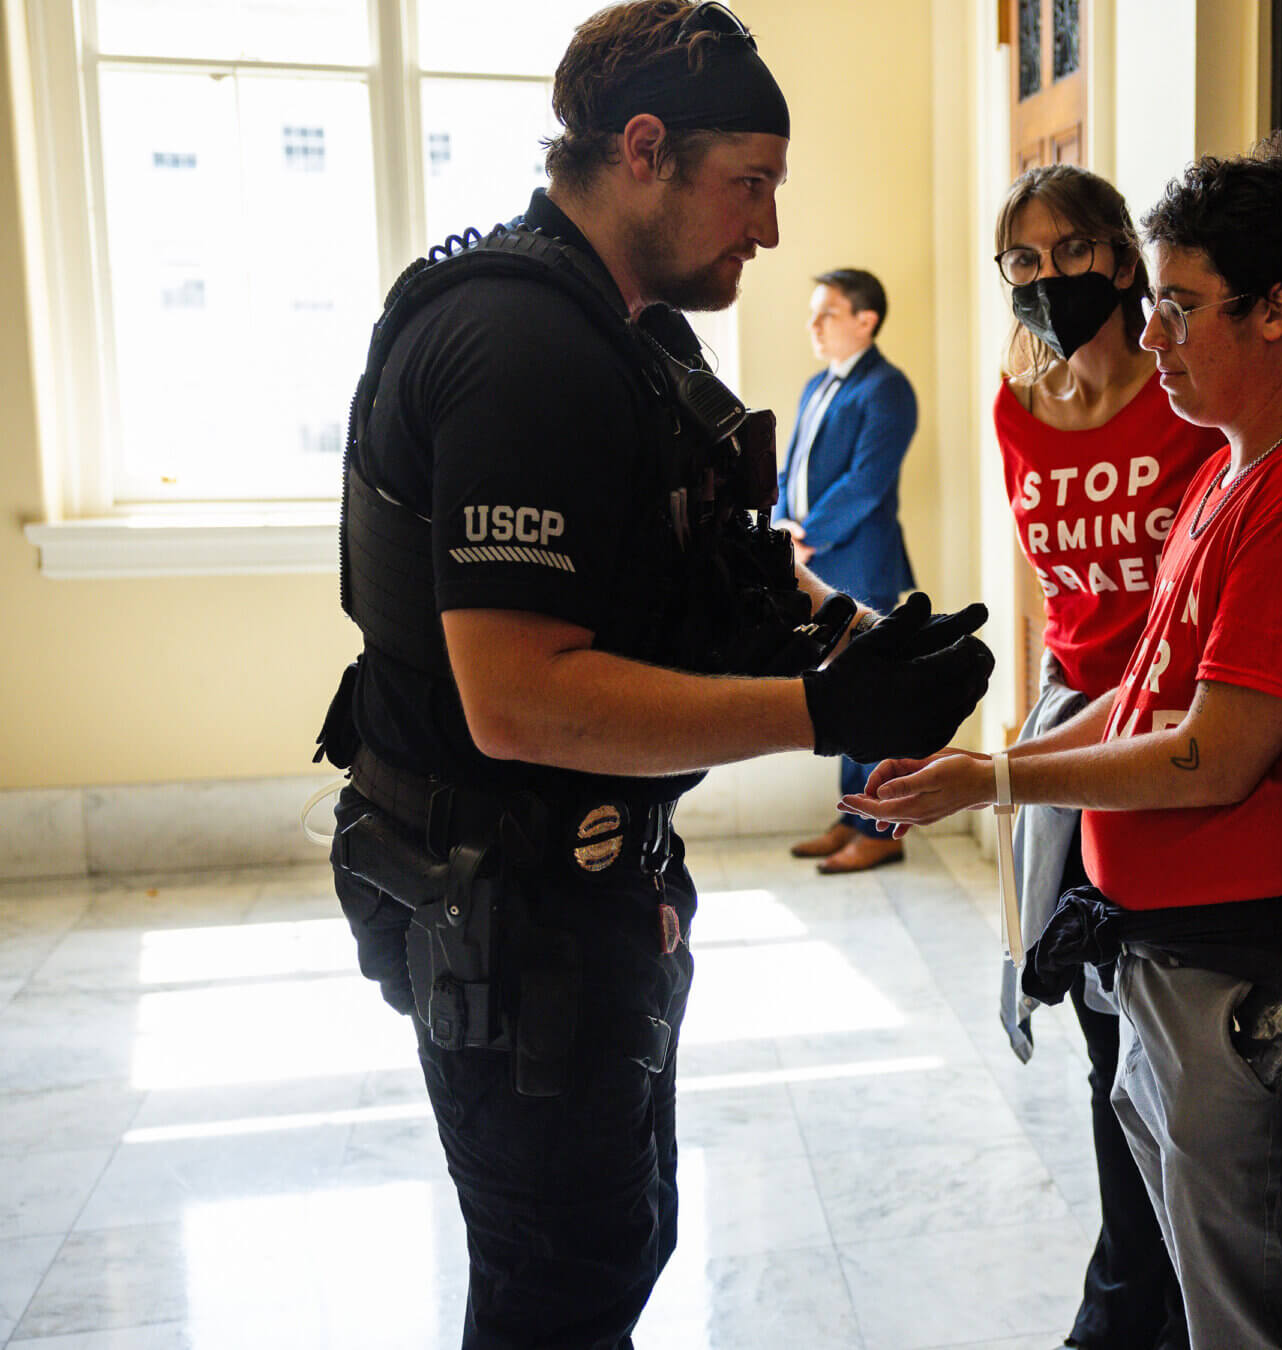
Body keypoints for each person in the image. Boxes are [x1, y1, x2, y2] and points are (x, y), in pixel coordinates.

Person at [314, 5, 991, 1346]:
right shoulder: (518, 348)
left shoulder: (638, 343)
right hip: (503, 903)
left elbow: (723, 569)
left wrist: (858, 640)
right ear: (641, 150)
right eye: (753, 184)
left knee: (627, 1239)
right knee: (556, 1287)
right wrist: (824, 713)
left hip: (599, 881)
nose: (772, 230)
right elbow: (520, 697)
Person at [845, 138, 1282, 1350]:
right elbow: (1146, 689)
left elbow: (1213, 752)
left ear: (1279, 313)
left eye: (1175, 305)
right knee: (1193, 1276)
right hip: (1174, 956)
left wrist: (996, 781)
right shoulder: (1235, 465)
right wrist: (1001, 770)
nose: (1149, 334)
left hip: (1254, 962)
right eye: (1151, 302)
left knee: (1261, 1295)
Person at [990, 163, 1221, 1350]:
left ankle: (1148, 1293)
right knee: (1090, 1008)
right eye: (1022, 263)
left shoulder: (1183, 406)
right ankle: (1131, 1290)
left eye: (1070, 252)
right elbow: (1059, 597)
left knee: (1163, 1017)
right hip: (1073, 713)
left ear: (1123, 260)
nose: (1048, 280)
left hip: (1173, 723)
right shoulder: (1014, 409)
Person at [779, 266, 922, 872]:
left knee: (874, 690)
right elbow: (792, 468)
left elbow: (866, 483)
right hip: (815, 559)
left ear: (867, 320)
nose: (813, 324)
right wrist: (780, 525)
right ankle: (852, 817)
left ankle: (883, 832)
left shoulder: (887, 387)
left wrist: (805, 538)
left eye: (827, 313)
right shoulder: (818, 384)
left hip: (858, 559)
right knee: (842, 686)